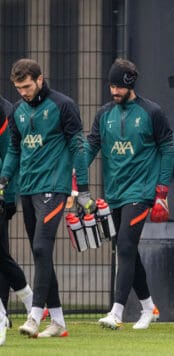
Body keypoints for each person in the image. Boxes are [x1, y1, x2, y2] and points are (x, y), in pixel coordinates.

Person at [0, 58, 94, 338]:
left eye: (27, 86)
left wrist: (84, 188)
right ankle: (58, 321)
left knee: (42, 249)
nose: (23, 92)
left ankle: (34, 315)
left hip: (55, 187)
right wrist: (4, 179)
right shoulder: (16, 111)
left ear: (40, 79)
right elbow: (15, 150)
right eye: (18, 88)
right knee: (40, 253)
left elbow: (78, 145)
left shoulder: (63, 105)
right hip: (28, 189)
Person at [85, 58, 174, 330]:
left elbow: (168, 149)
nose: (114, 91)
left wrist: (161, 191)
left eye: (118, 86)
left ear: (130, 85)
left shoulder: (152, 112)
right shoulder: (103, 114)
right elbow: (91, 145)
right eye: (111, 85)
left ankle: (117, 312)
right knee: (126, 249)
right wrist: (75, 177)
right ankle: (149, 307)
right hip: (114, 192)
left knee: (124, 246)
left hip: (141, 191)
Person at [0, 94, 34, 323]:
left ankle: (11, 307)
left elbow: (10, 155)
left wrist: (9, 197)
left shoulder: (5, 111)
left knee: (1, 256)